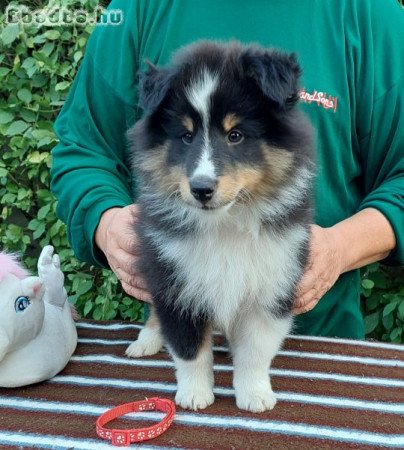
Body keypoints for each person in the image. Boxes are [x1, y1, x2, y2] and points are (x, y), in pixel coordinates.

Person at [50, 0, 404, 339]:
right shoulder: (141, 7)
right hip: (179, 349)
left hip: (319, 347)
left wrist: (339, 248)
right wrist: (108, 223)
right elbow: (84, 150)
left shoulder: (367, 11)